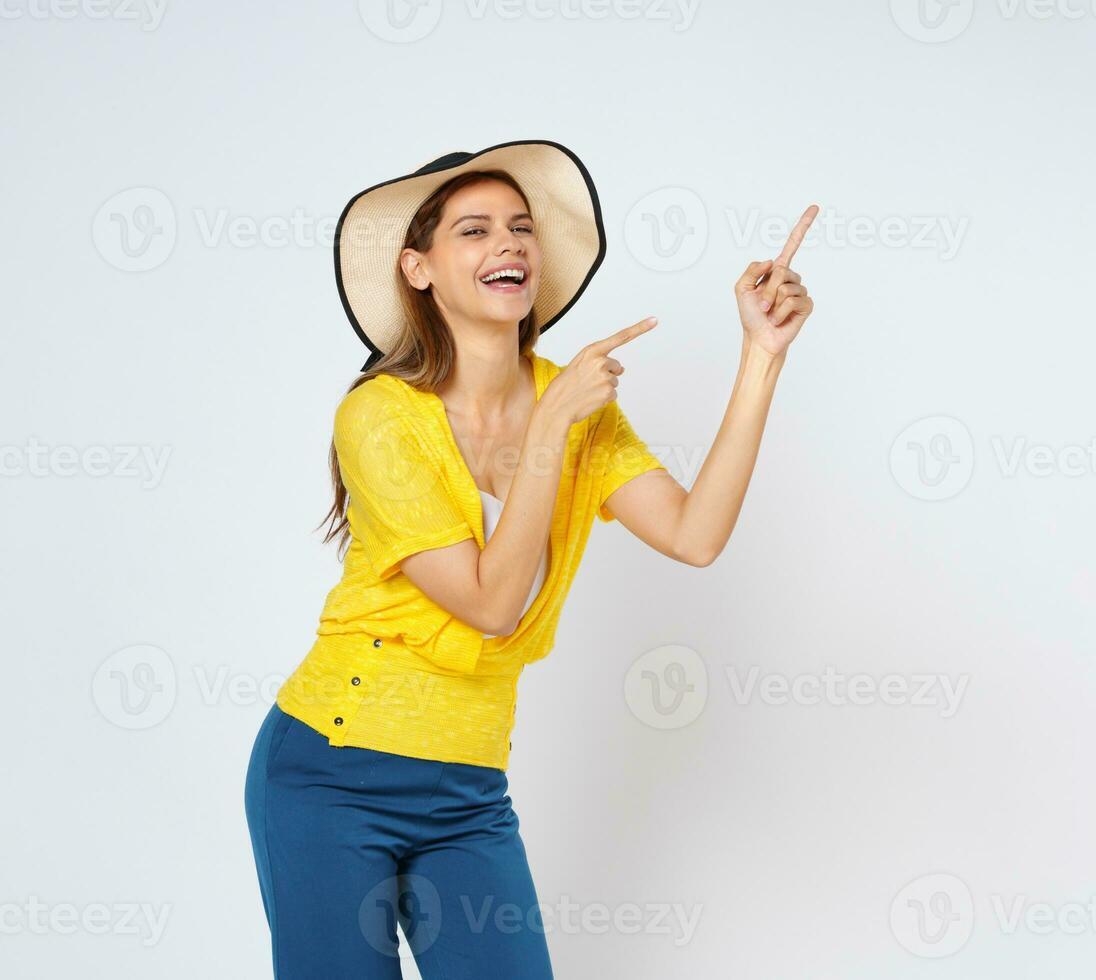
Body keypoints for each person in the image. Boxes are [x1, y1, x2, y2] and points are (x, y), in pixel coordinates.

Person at [242, 139, 817, 978]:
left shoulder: (576, 405)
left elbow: (696, 535)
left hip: (468, 794)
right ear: (419, 268)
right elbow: (489, 603)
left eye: (520, 228)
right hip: (331, 777)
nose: (508, 244)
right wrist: (551, 424)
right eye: (473, 231)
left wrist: (762, 356)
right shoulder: (380, 417)